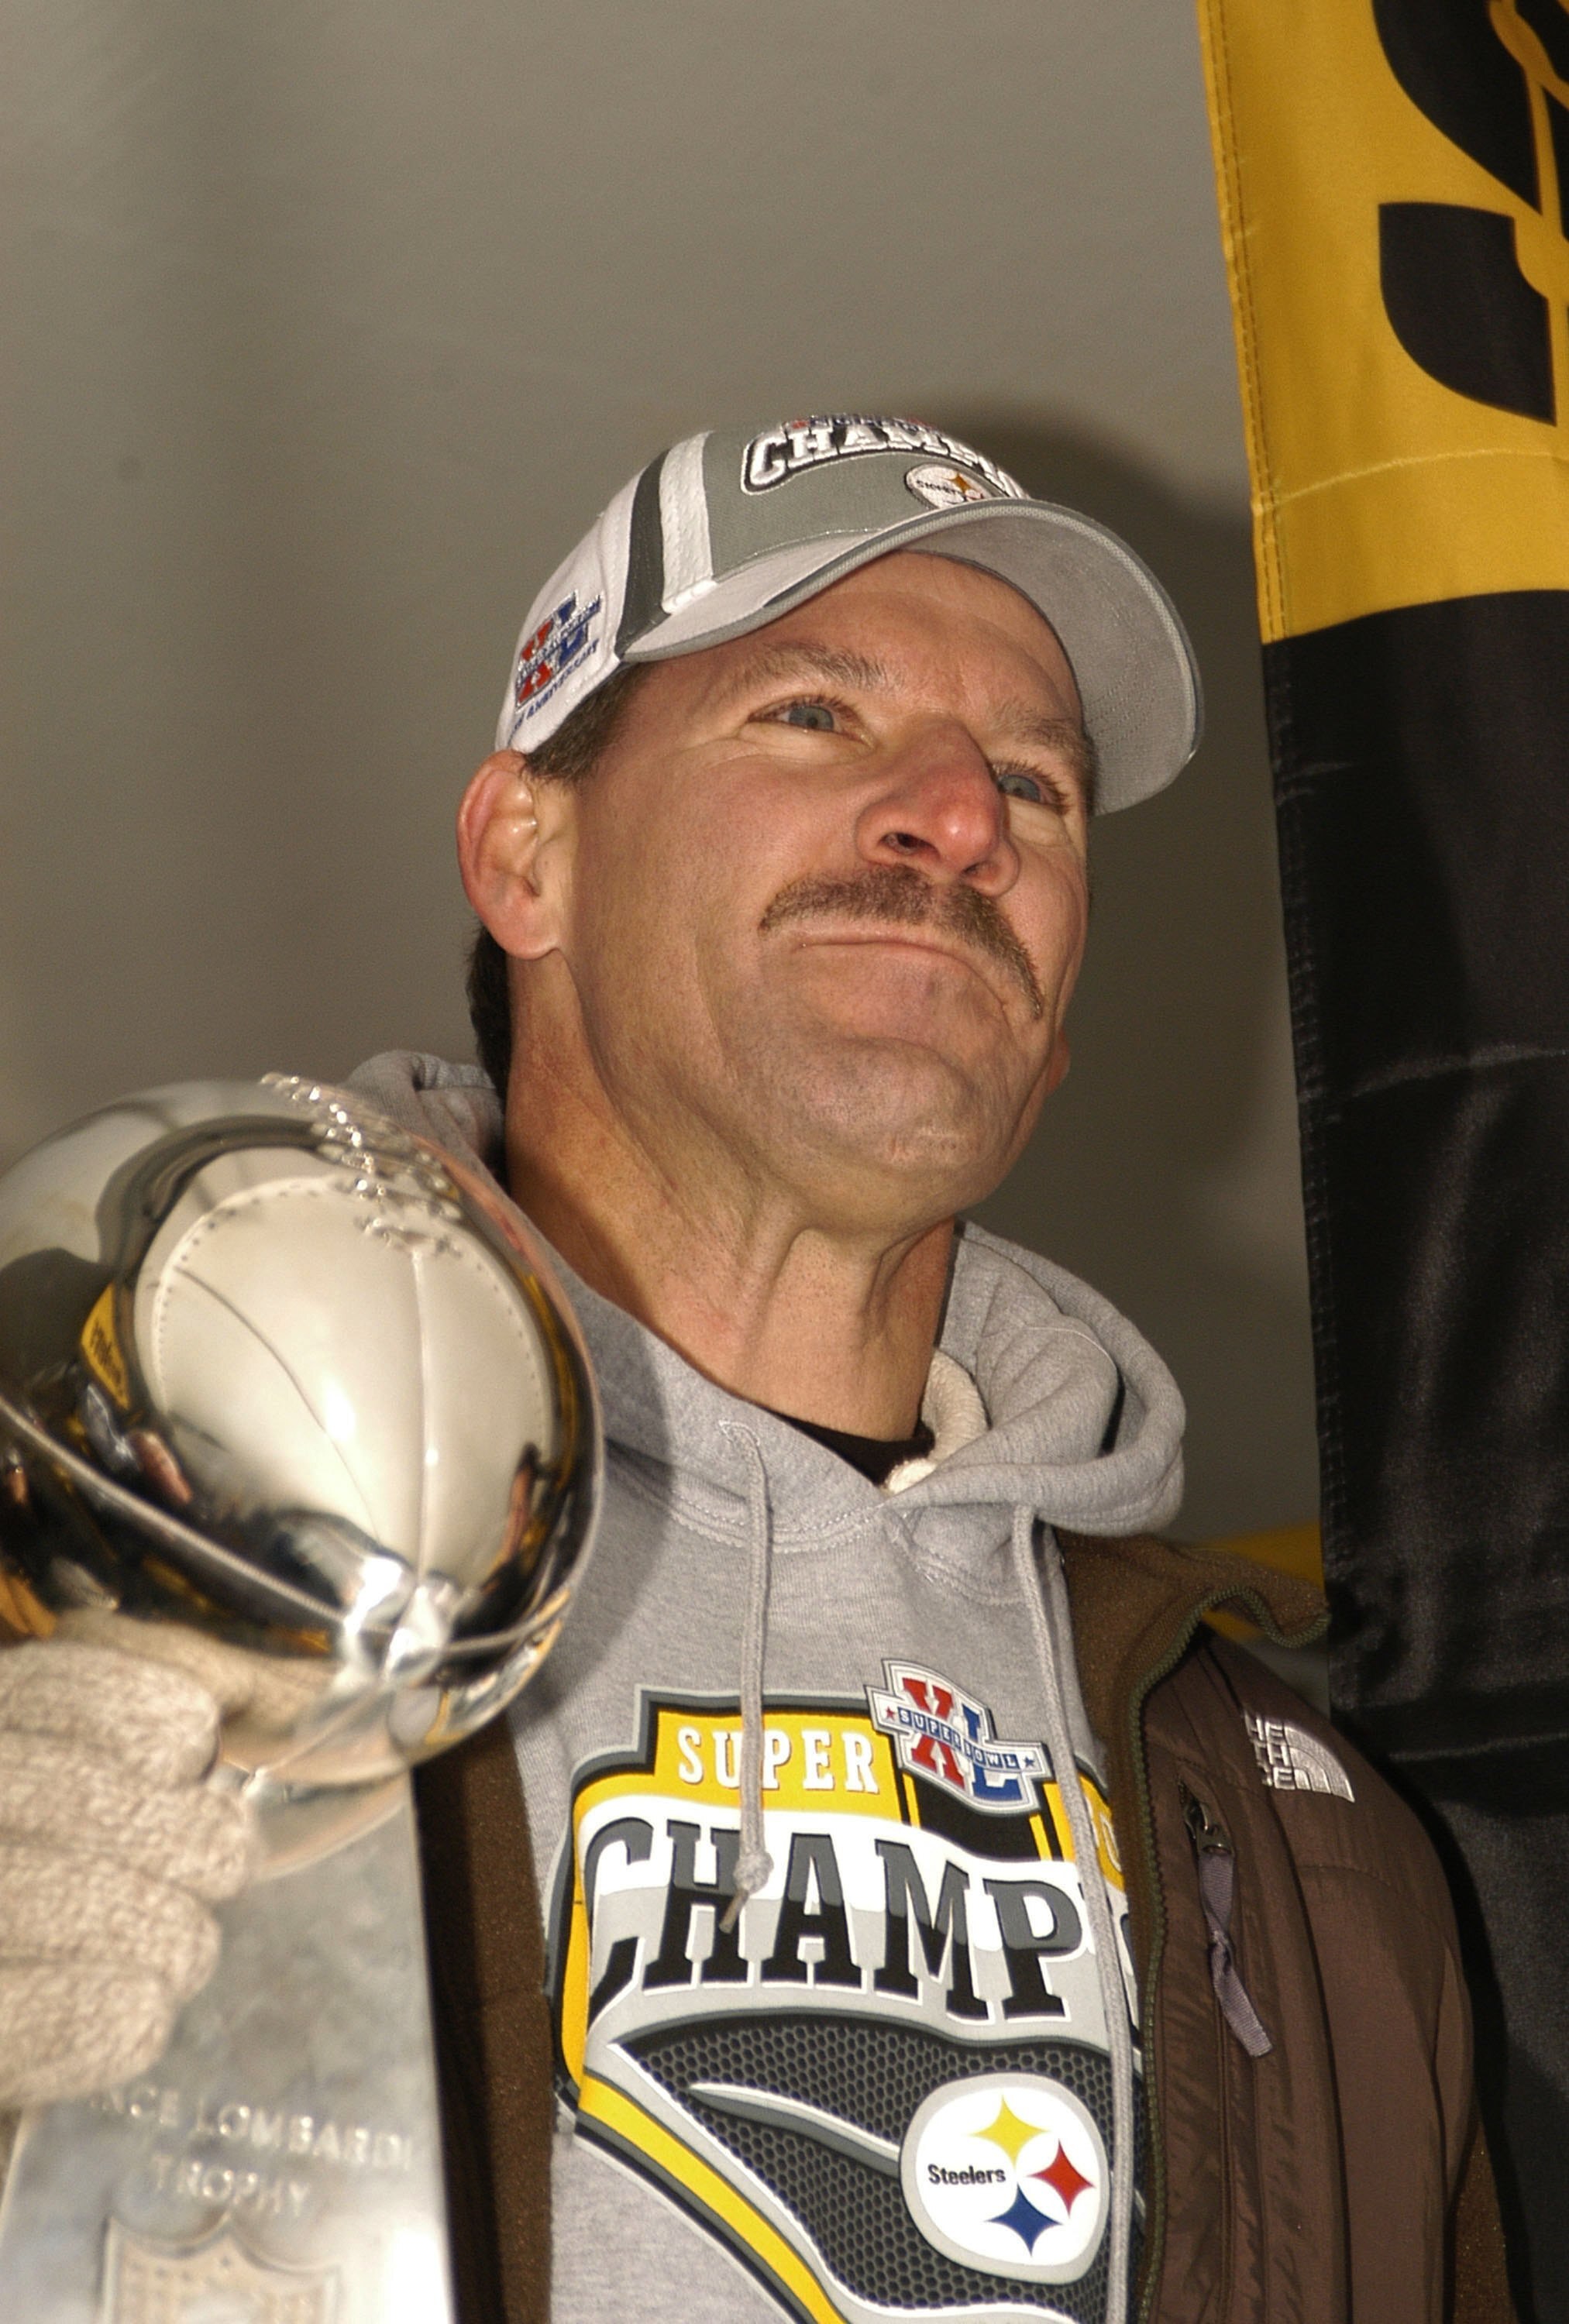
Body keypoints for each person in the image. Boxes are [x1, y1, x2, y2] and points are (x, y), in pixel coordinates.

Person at [0, 415, 1514, 2323]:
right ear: (521, 857)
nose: (958, 818)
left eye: (1035, 790)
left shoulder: (1316, 1849)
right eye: (812, 716)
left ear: (1050, 1030)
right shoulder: (114, 1529)